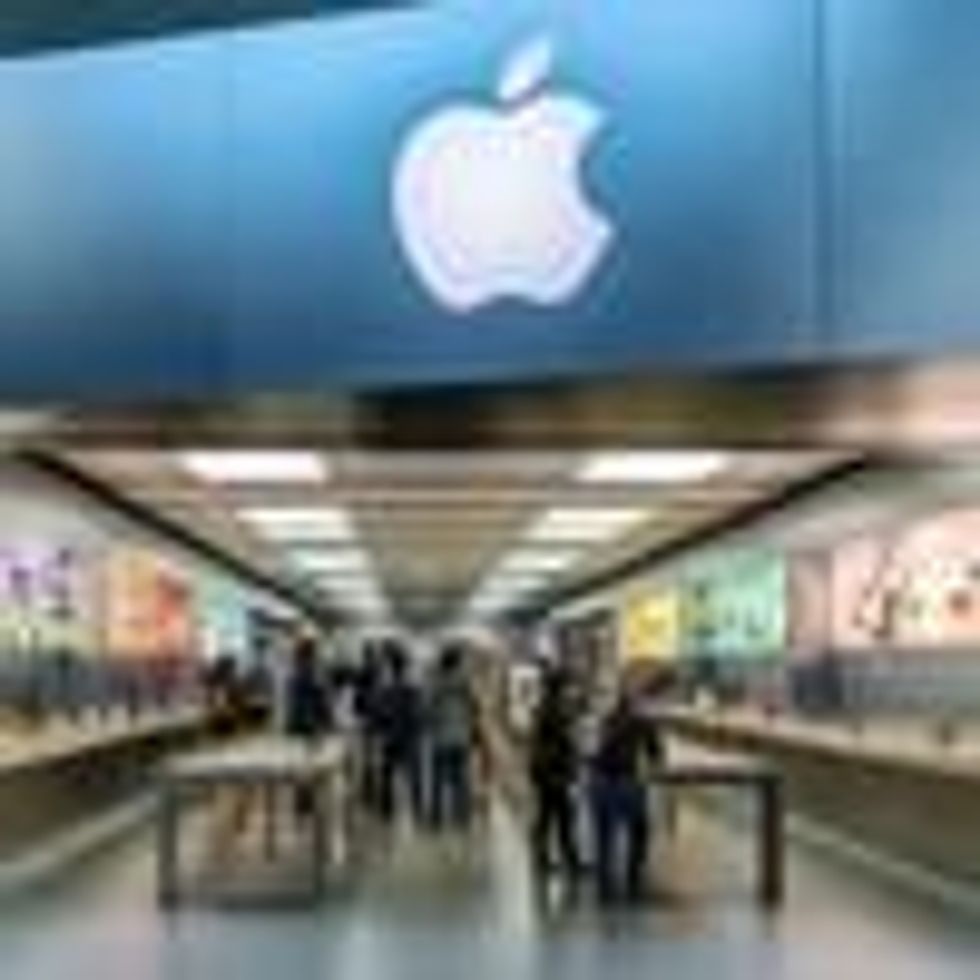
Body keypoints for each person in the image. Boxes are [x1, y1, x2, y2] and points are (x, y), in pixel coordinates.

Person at [588, 684, 665, 903]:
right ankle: (633, 878)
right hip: (626, 783)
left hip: (599, 782)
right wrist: (653, 767)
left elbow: (591, 750)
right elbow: (656, 753)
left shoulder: (605, 720)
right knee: (639, 831)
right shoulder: (642, 722)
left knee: (604, 837)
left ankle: (605, 885)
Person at [527, 668, 582, 880]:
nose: (570, 690)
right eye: (567, 686)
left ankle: (545, 858)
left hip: (546, 770)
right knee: (561, 816)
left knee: (549, 815)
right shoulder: (554, 710)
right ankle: (567, 859)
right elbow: (562, 741)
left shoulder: (546, 707)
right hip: (553, 771)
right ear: (559, 688)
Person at [426, 644, 478, 830]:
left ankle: (436, 818)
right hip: (461, 737)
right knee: (461, 780)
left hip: (440, 738)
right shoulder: (466, 682)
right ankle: (462, 816)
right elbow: (474, 707)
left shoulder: (435, 683)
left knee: (437, 781)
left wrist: (434, 723)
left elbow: (428, 709)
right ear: (457, 662)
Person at [372, 641, 425, 824]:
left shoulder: (384, 689)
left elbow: (378, 714)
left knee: (387, 774)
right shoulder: (413, 689)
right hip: (409, 737)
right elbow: (418, 714)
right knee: (413, 776)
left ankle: (386, 810)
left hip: (390, 737)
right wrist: (418, 730)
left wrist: (381, 730)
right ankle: (417, 810)